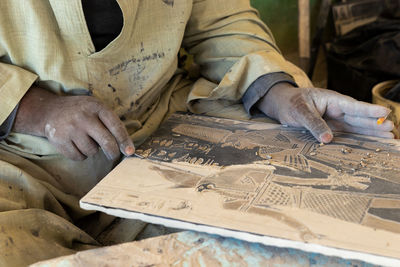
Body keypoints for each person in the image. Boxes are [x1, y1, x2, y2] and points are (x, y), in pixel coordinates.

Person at [0, 0, 394, 266]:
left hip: (161, 122)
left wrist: (280, 93)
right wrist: (36, 109)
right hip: (22, 154)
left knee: (316, 197)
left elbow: (222, 21)